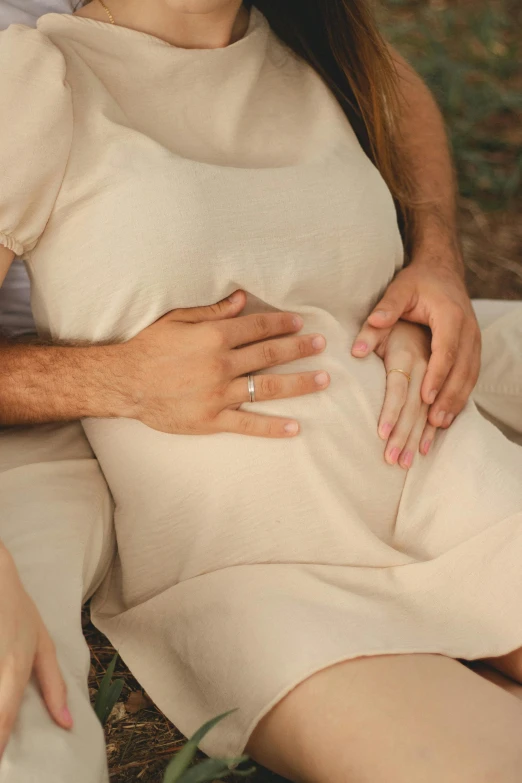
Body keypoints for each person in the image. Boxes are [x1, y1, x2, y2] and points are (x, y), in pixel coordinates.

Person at [0, 2, 522, 782]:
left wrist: (433, 256)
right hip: (261, 570)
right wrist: (125, 379)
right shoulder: (38, 79)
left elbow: (400, 107)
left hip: (454, 495)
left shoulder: (319, 45)